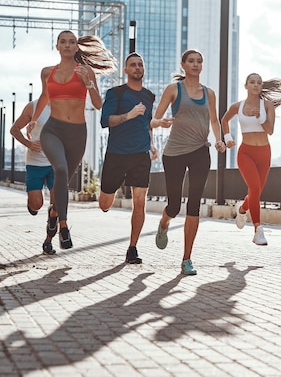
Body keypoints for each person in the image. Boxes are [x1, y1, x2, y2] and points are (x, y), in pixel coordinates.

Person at [30, 30, 114, 251]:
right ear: (57, 46)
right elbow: (44, 97)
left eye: (71, 42)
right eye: (63, 42)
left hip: (77, 133)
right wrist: (34, 119)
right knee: (60, 170)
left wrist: (89, 84)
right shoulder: (47, 72)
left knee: (62, 185)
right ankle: (64, 227)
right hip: (53, 131)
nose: (67, 45)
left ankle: (51, 225)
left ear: (77, 47)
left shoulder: (86, 71)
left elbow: (98, 104)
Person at [150, 49, 226, 275]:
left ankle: (186, 259)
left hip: (200, 152)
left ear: (202, 66)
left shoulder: (209, 93)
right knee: (174, 205)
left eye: (199, 61)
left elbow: (213, 119)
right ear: (183, 65)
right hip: (174, 153)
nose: (195, 64)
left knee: (194, 205)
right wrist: (161, 122)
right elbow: (153, 120)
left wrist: (219, 140)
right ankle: (164, 224)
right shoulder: (174, 89)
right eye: (191, 61)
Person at [99, 53, 157, 264]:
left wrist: (151, 143)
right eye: (133, 65)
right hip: (117, 154)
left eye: (140, 64)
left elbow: (147, 123)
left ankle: (133, 248)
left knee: (140, 202)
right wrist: (129, 115)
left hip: (141, 155)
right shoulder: (116, 93)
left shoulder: (149, 96)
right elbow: (105, 121)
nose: (137, 67)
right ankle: (108, 195)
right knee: (105, 203)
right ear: (126, 70)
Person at [221, 73, 281, 246]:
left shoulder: (267, 106)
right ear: (246, 86)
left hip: (264, 153)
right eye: (252, 82)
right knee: (254, 188)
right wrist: (228, 138)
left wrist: (259, 117)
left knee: (256, 192)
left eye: (259, 82)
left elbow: (270, 130)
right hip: (246, 153)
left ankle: (242, 209)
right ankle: (258, 231)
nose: (256, 85)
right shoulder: (238, 106)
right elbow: (224, 120)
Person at [10, 99, 59, 255]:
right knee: (37, 204)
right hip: (35, 163)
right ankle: (32, 204)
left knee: (57, 205)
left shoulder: (67, 106)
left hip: (55, 164)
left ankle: (48, 241)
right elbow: (14, 129)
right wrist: (28, 144)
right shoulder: (34, 106)